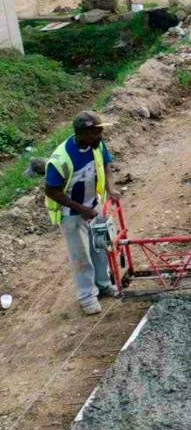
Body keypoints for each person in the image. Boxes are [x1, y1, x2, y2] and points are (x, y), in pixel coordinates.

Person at [44, 112, 121, 316]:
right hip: (72, 214)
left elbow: (105, 165)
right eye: (97, 132)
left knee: (100, 248)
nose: (101, 135)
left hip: (92, 207)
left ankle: (104, 285)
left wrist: (111, 189)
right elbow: (51, 190)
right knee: (81, 257)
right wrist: (81, 209)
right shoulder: (61, 159)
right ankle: (87, 297)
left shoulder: (97, 145)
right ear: (84, 133)